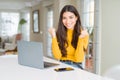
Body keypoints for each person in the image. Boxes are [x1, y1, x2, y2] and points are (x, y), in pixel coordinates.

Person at [48, 5, 89, 69]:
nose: (67, 21)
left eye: (71, 17)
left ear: (76, 18)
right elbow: (57, 56)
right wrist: (53, 36)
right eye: (64, 18)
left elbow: (79, 58)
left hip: (76, 65)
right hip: (61, 64)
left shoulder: (83, 34)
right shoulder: (59, 33)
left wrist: (80, 38)